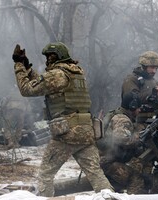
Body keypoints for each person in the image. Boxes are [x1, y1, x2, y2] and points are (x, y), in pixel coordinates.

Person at [12, 42, 114, 197]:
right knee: (96, 174)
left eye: (48, 57)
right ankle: (110, 197)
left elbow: (27, 89)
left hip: (68, 133)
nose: (47, 60)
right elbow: (44, 83)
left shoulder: (58, 74)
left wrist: (19, 66)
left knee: (45, 175)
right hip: (86, 131)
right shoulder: (76, 73)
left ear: (56, 56)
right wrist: (28, 68)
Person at [97, 92, 147, 194]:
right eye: (138, 107)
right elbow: (121, 139)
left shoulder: (116, 114)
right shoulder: (123, 120)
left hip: (104, 160)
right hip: (107, 163)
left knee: (118, 185)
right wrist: (140, 136)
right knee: (136, 179)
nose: (139, 110)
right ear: (132, 106)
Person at [121, 51, 158, 124]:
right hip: (135, 122)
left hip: (154, 121)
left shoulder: (155, 82)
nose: (154, 71)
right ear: (144, 66)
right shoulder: (131, 79)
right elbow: (131, 98)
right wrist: (152, 95)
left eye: (156, 68)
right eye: (152, 67)